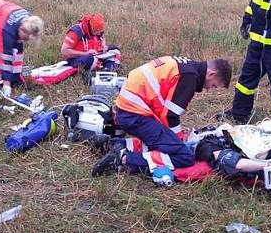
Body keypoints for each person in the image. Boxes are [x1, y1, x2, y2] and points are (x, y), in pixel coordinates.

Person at [91, 56, 232, 176]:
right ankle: (122, 159)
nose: (208, 89)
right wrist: (178, 139)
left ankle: (111, 144)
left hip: (128, 108)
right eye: (213, 85)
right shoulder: (190, 77)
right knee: (184, 156)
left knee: (164, 142)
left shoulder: (186, 65)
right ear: (211, 74)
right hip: (134, 114)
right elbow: (170, 116)